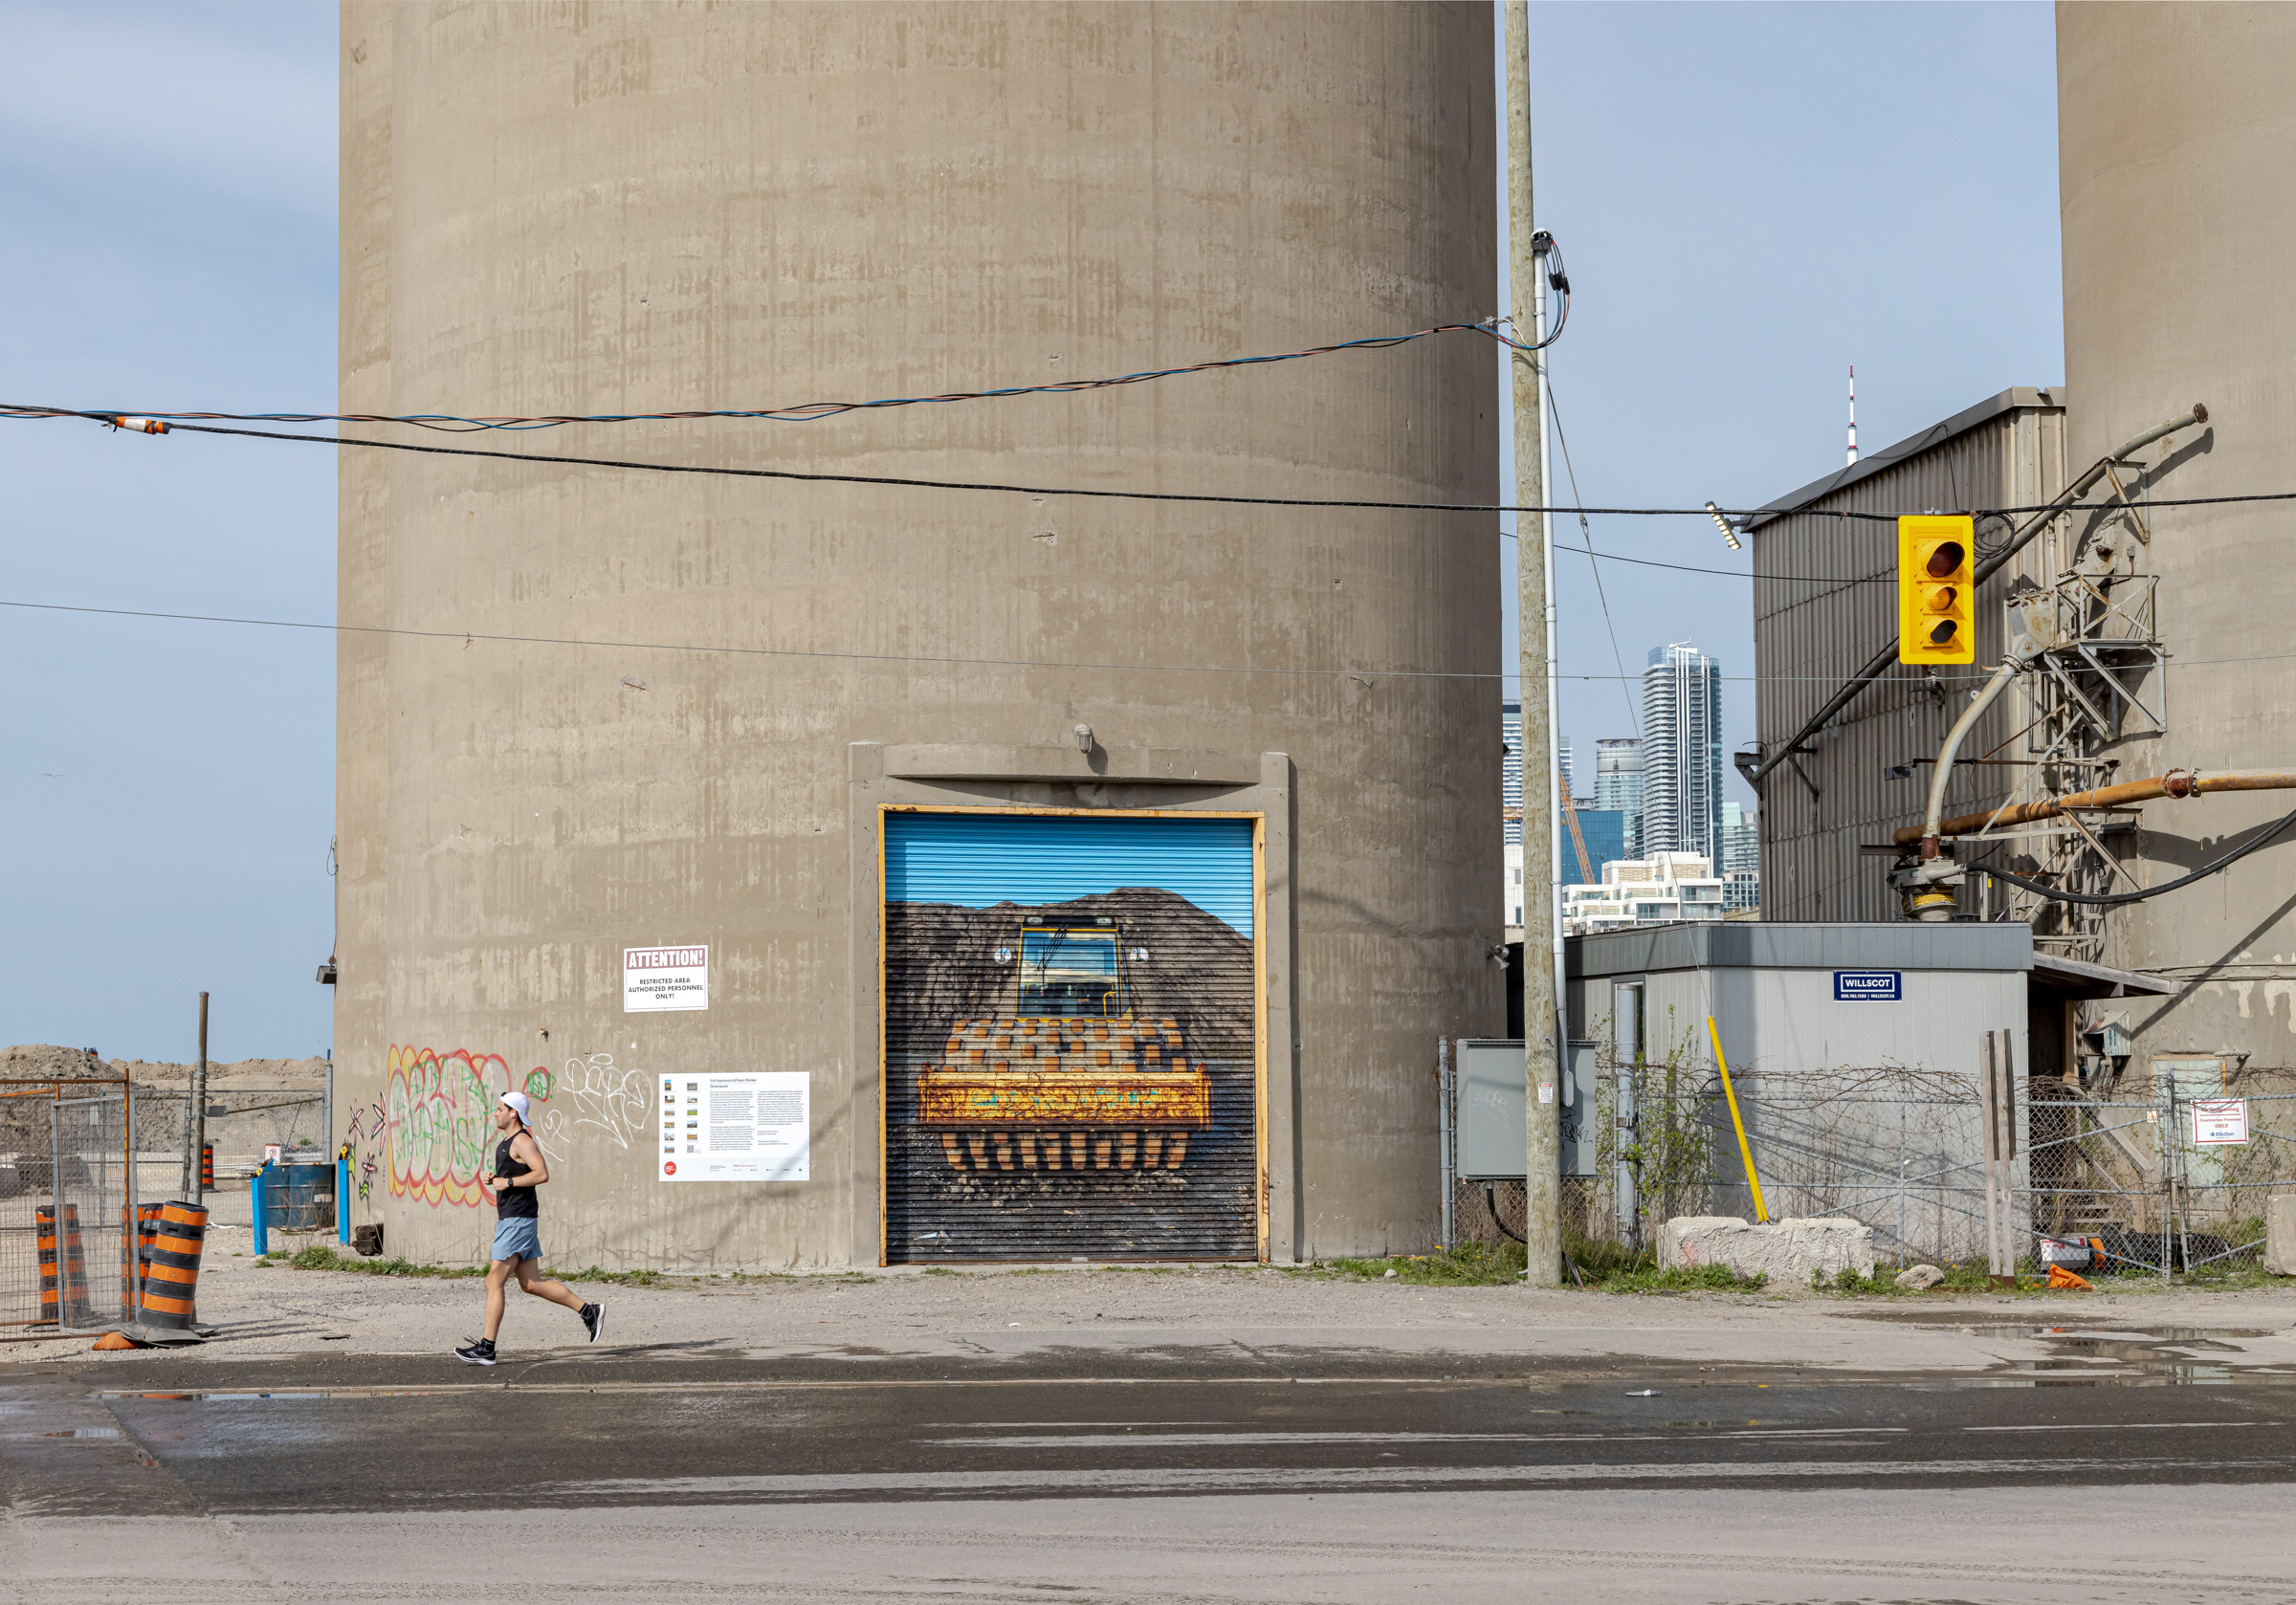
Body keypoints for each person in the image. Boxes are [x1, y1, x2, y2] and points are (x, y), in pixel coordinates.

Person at [454, 1090, 603, 1364]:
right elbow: (519, 1173)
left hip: (517, 1220)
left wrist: (507, 1183)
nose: (495, 1113)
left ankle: (487, 1348)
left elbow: (542, 1173)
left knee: (493, 1281)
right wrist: (496, 1178)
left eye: (500, 1109)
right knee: (531, 1283)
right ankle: (588, 1311)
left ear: (513, 1113)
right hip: (517, 1219)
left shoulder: (522, 1140)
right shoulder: (508, 1142)